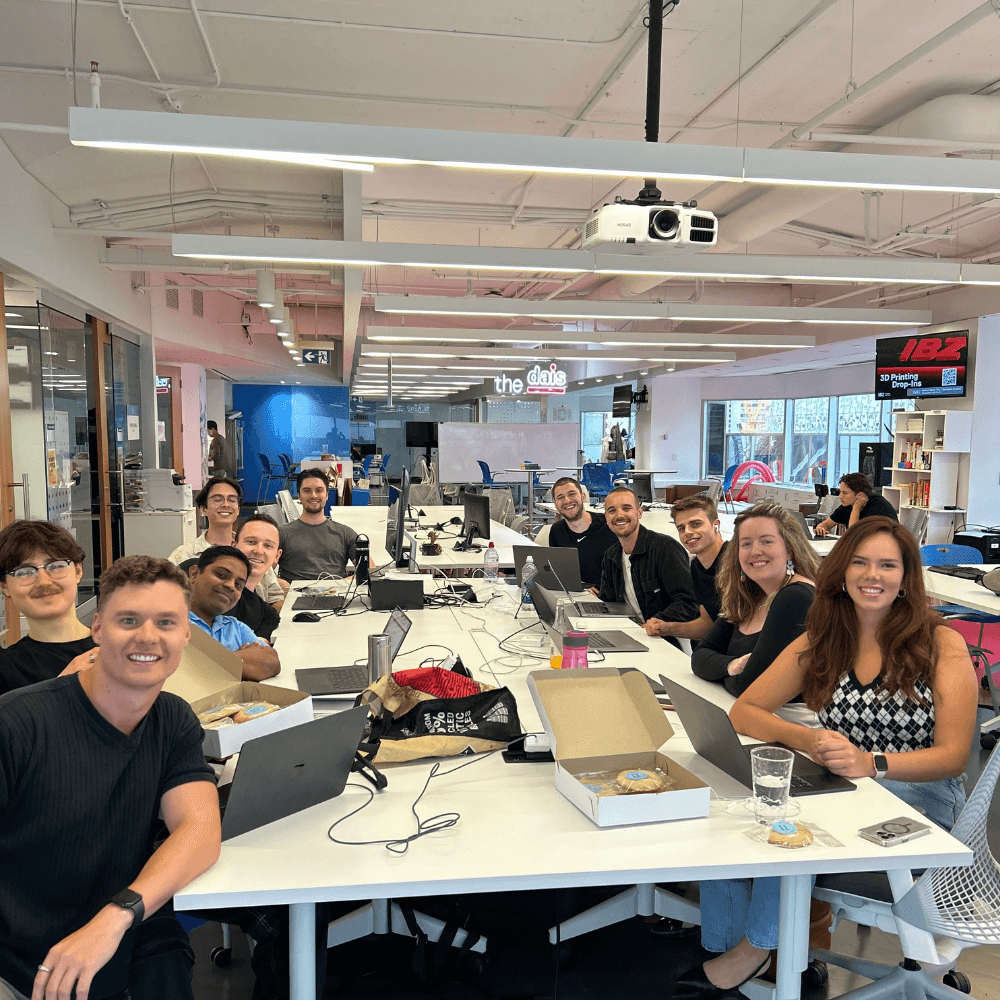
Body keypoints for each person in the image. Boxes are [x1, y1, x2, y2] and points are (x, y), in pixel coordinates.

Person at [675, 518, 977, 1000]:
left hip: (921, 801)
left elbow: (954, 757)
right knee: (734, 806)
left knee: (802, 824)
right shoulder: (825, 634)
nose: (871, 575)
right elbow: (745, 710)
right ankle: (730, 939)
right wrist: (808, 739)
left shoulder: (939, 643)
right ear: (841, 571)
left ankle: (754, 950)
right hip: (845, 784)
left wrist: (872, 763)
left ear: (906, 577)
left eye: (887, 565)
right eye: (859, 562)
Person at [0, 555, 220, 1000]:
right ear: (97, 629)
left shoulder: (172, 719)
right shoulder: (17, 724)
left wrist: (115, 917)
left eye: (165, 622)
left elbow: (199, 829)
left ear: (185, 635)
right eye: (128, 620)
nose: (147, 637)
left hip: (121, 936)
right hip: (20, 958)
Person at [692, 502, 818, 698]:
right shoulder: (749, 598)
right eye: (746, 544)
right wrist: (731, 666)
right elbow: (699, 657)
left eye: (766, 541)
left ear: (790, 550)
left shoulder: (796, 597)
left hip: (789, 721)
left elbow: (749, 686)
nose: (755, 551)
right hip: (744, 710)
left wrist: (719, 672)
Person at [0, 520, 98, 694]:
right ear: (4, 586)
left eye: (55, 566)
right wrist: (59, 689)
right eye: (24, 572)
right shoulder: (6, 669)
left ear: (78, 571)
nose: (44, 581)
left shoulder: (117, 648)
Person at [597, 486, 699, 646]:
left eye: (626, 508)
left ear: (639, 512)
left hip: (666, 640)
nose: (619, 515)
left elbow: (688, 603)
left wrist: (656, 622)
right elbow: (608, 604)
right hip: (629, 636)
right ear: (606, 517)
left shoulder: (664, 548)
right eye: (612, 510)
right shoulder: (610, 556)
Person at [168, 477, 287, 610]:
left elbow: (275, 598)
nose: (226, 504)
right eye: (217, 499)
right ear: (203, 509)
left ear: (238, 509)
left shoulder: (253, 550)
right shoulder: (184, 555)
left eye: (232, 500)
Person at [186, 546, 280, 681]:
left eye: (238, 585)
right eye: (221, 575)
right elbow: (188, 672)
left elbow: (271, 662)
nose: (230, 586)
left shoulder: (234, 627)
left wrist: (204, 661)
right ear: (194, 574)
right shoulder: (170, 624)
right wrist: (244, 656)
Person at [278, 468, 364, 582]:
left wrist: (341, 584)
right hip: (293, 595)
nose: (313, 495)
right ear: (299, 496)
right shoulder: (282, 533)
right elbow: (262, 573)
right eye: (307, 490)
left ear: (327, 495)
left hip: (335, 594)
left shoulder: (345, 533)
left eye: (319, 490)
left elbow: (368, 568)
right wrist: (283, 586)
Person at [668, 495, 728, 639]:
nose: (687, 532)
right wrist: (666, 628)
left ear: (716, 525)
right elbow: (707, 623)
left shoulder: (737, 560)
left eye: (695, 524)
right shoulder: (696, 566)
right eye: (681, 528)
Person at [547, 476, 617, 593]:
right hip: (575, 596)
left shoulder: (608, 525)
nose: (567, 500)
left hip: (608, 600)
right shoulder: (557, 531)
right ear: (555, 503)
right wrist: (580, 586)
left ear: (583, 496)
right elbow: (559, 572)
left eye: (572, 494)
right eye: (560, 497)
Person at [231, 514, 283, 642]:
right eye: (251, 542)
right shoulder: (213, 594)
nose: (259, 551)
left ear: (277, 556)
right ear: (234, 546)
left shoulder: (268, 615)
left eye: (268, 545)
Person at [814, 472, 898, 537]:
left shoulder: (879, 507)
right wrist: (821, 528)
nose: (840, 496)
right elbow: (827, 524)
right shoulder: (848, 505)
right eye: (840, 492)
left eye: (845, 493)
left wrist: (856, 508)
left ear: (860, 495)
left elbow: (854, 535)